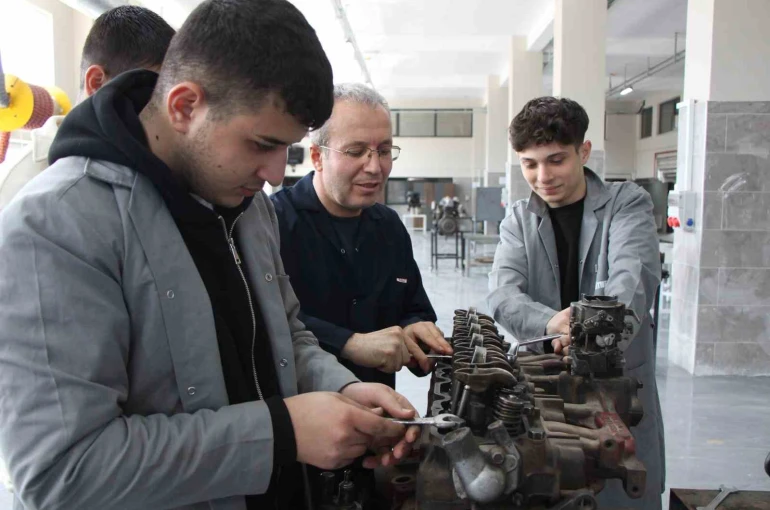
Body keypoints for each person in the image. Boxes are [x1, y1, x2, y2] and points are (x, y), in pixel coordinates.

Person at [0, 2, 420, 509]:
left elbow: (286, 334)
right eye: (261, 144)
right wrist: (281, 434)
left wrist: (342, 388)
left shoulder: (248, 205)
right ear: (183, 106)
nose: (271, 174)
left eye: (284, 151)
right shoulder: (55, 226)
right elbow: (62, 472)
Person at [487, 96, 665, 509]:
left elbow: (631, 281)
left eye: (555, 160)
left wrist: (590, 333)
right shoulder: (517, 218)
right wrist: (553, 324)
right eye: (529, 164)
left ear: (583, 152)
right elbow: (502, 293)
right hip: (544, 391)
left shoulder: (627, 204)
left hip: (617, 393)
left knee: (624, 488)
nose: (542, 176)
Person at [271, 83, 452, 391]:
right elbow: (266, 322)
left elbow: (414, 307)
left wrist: (415, 330)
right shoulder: (274, 223)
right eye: (355, 152)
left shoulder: (389, 227)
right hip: (306, 416)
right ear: (317, 157)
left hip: (380, 415)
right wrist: (348, 343)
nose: (374, 167)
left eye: (383, 151)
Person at [0, 5, 175, 211]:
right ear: (97, 82)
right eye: (148, 93)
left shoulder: (152, 168)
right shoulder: (23, 181)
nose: (162, 116)